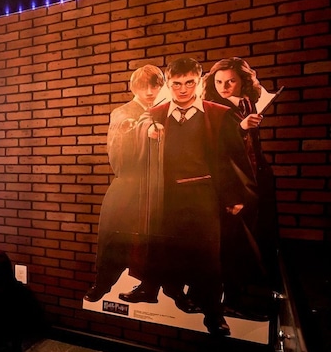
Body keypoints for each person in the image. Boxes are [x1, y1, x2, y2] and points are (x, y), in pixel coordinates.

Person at [118, 57, 256, 336]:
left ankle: (214, 314)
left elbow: (233, 158)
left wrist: (235, 196)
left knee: (207, 257)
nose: (183, 89)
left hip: (203, 196)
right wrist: (148, 132)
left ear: (199, 82)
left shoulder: (217, 114)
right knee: (158, 246)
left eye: (189, 83)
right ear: (169, 84)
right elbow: (134, 140)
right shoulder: (155, 114)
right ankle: (151, 289)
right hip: (165, 195)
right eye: (177, 84)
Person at [202, 58, 277, 319]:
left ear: (242, 82)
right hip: (231, 188)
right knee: (233, 247)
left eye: (230, 81)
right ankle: (230, 303)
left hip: (251, 184)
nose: (224, 87)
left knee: (247, 245)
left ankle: (236, 300)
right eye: (218, 82)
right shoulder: (213, 109)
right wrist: (231, 196)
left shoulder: (246, 103)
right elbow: (217, 155)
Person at [84, 65, 165, 302]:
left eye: (154, 86)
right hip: (130, 181)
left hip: (158, 184)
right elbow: (118, 146)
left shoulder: (166, 110)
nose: (149, 92)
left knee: (155, 239)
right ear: (134, 88)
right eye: (143, 87)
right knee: (113, 235)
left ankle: (152, 288)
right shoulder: (122, 112)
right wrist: (143, 130)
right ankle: (102, 283)